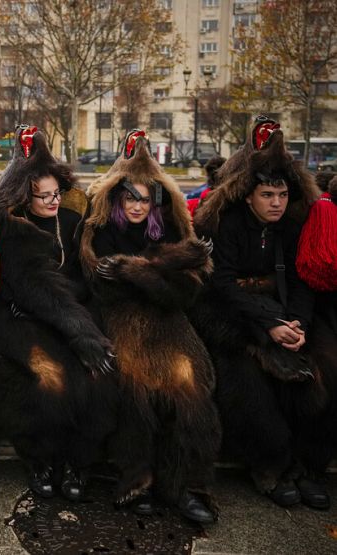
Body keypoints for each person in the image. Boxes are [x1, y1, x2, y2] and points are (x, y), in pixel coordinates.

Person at [193, 115, 333, 511]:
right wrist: (268, 325)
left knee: (324, 367)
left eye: (282, 195)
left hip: (288, 312)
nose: (276, 203)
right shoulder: (226, 224)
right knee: (247, 385)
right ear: (249, 196)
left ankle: (308, 466)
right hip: (230, 317)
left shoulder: (292, 225)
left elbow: (304, 278)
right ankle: (270, 466)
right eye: (267, 195)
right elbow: (220, 285)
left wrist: (299, 325)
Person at [79, 129, 220, 524]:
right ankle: (136, 478)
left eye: (145, 197)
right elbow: (103, 287)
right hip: (121, 323)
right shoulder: (102, 231)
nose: (138, 205)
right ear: (118, 197)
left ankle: (189, 486)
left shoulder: (172, 229)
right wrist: (159, 268)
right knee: (133, 388)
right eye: (130, 197)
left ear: (156, 198)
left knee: (189, 387)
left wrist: (138, 269)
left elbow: (184, 293)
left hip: (168, 324)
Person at [0, 124, 118, 504]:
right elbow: (27, 287)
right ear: (26, 198)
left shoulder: (71, 223)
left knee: (98, 377)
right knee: (48, 378)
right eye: (43, 198)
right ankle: (40, 460)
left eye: (57, 194)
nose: (53, 202)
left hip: (70, 310)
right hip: (20, 317)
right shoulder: (13, 228)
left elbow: (81, 278)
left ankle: (78, 462)